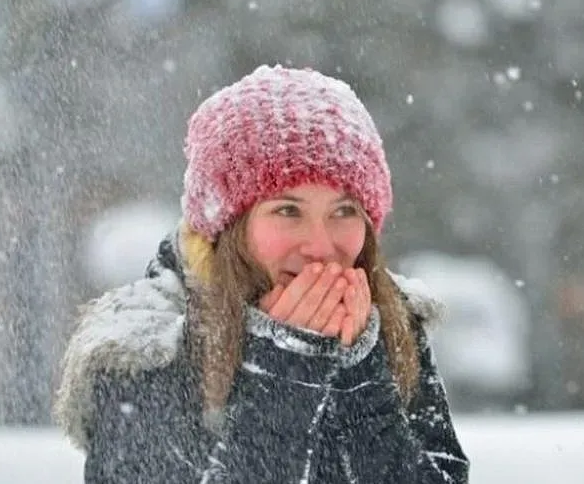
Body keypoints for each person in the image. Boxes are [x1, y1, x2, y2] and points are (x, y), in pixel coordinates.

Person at [53, 65, 470, 483]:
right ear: (228, 228)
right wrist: (286, 369)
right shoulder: (146, 349)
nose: (321, 247)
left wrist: (363, 380)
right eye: (288, 210)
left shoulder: (390, 325)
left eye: (344, 211)